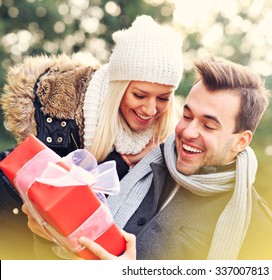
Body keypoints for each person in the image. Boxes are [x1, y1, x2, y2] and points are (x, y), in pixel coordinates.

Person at [30, 55, 272, 260]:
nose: (188, 131)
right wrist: (46, 234)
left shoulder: (262, 232)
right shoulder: (131, 162)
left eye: (208, 126)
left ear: (241, 141)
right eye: (187, 115)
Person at [0, 15, 183, 259]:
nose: (150, 110)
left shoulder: (168, 144)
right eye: (140, 95)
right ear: (119, 88)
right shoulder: (59, 121)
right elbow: (71, 200)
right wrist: (124, 163)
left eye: (163, 98)